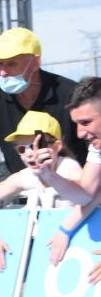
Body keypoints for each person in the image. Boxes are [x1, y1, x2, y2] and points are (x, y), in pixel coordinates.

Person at [0, 28, 84, 260]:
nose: (3, 72)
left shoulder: (70, 93)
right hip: (32, 200)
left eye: (12, 64)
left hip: (81, 201)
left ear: (35, 62)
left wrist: (68, 224)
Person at [0, 111, 91, 272]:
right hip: (50, 245)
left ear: (57, 147)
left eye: (36, 146)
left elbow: (88, 197)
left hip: (79, 240)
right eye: (22, 148)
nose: (30, 153)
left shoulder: (69, 167)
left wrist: (65, 230)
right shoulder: (28, 175)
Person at [45, 78, 101, 280]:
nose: (79, 133)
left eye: (86, 122)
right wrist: (47, 174)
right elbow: (86, 194)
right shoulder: (97, 146)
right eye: (76, 124)